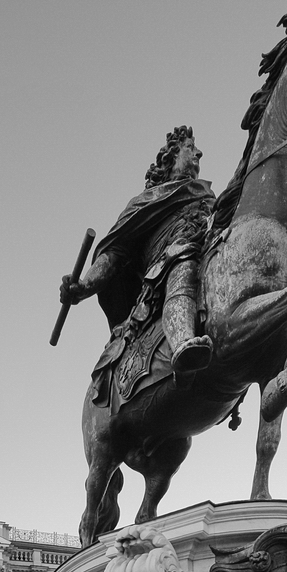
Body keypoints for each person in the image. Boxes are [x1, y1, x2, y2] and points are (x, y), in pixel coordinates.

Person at [59, 126, 215, 406]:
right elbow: (115, 253)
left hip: (207, 251)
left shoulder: (204, 194)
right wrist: (83, 287)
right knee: (184, 260)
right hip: (166, 269)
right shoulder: (148, 202)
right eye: (190, 147)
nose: (198, 152)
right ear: (171, 158)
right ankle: (181, 344)